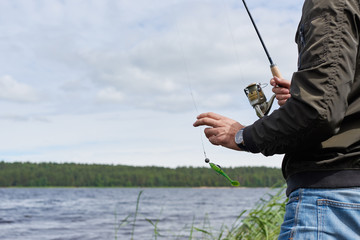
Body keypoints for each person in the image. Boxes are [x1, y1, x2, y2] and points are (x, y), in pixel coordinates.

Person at [193, 0, 360, 239]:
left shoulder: (330, 3)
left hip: (331, 200)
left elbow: (318, 113)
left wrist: (242, 136)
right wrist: (305, 95)